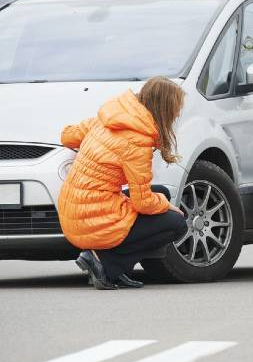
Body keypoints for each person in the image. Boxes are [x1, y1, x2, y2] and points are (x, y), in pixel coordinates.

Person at [57, 77, 187, 290]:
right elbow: (143, 202)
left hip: (73, 207)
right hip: (91, 218)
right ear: (164, 109)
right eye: (176, 110)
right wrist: (167, 205)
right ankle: (106, 264)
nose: (176, 115)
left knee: (161, 192)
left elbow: (67, 136)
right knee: (176, 223)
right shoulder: (137, 141)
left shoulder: (112, 117)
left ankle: (116, 268)